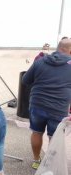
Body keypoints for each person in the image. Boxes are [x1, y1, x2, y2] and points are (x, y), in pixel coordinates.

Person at [22, 39, 71, 169]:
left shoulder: (40, 61)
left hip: (37, 105)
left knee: (37, 132)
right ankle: (49, 165)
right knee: (54, 138)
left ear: (58, 47)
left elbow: (25, 80)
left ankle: (36, 160)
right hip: (58, 108)